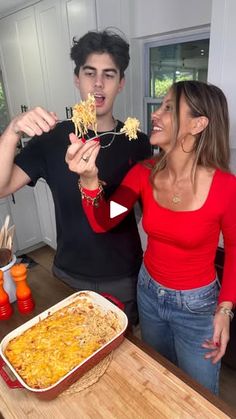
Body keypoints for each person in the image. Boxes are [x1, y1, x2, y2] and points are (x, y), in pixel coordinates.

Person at [67, 80, 236, 394]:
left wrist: (225, 309)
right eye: (160, 105)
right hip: (149, 293)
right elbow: (104, 221)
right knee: (158, 381)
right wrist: (89, 180)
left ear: (199, 124)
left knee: (197, 396)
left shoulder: (227, 187)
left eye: (169, 108)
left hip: (197, 307)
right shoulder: (143, 173)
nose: (155, 114)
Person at [0, 30, 151, 325]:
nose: (98, 83)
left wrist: (107, 201)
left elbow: (140, 209)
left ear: (120, 83)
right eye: (89, 73)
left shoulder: (138, 142)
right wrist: (12, 131)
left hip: (123, 274)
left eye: (109, 74)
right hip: (68, 272)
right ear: (77, 78)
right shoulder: (51, 138)